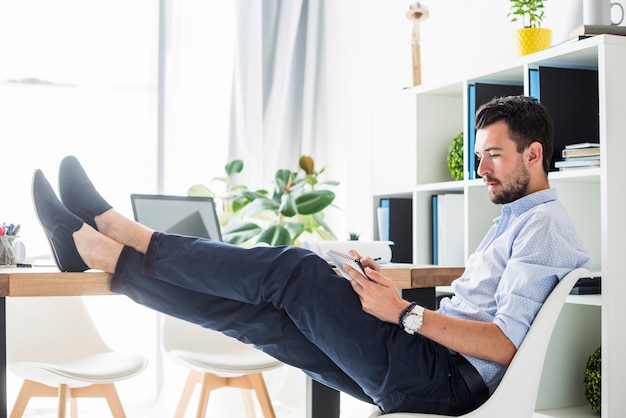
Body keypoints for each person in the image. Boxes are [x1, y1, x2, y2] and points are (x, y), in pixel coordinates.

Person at [31, 95, 592, 415]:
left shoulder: (543, 226)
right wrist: (391, 299)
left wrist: (404, 312)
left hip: (442, 381)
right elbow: (481, 315)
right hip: (426, 362)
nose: (481, 168)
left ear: (534, 154)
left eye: (493, 155)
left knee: (295, 271)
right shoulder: (516, 218)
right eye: (478, 155)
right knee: (262, 318)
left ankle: (119, 231)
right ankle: (109, 256)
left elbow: (502, 343)